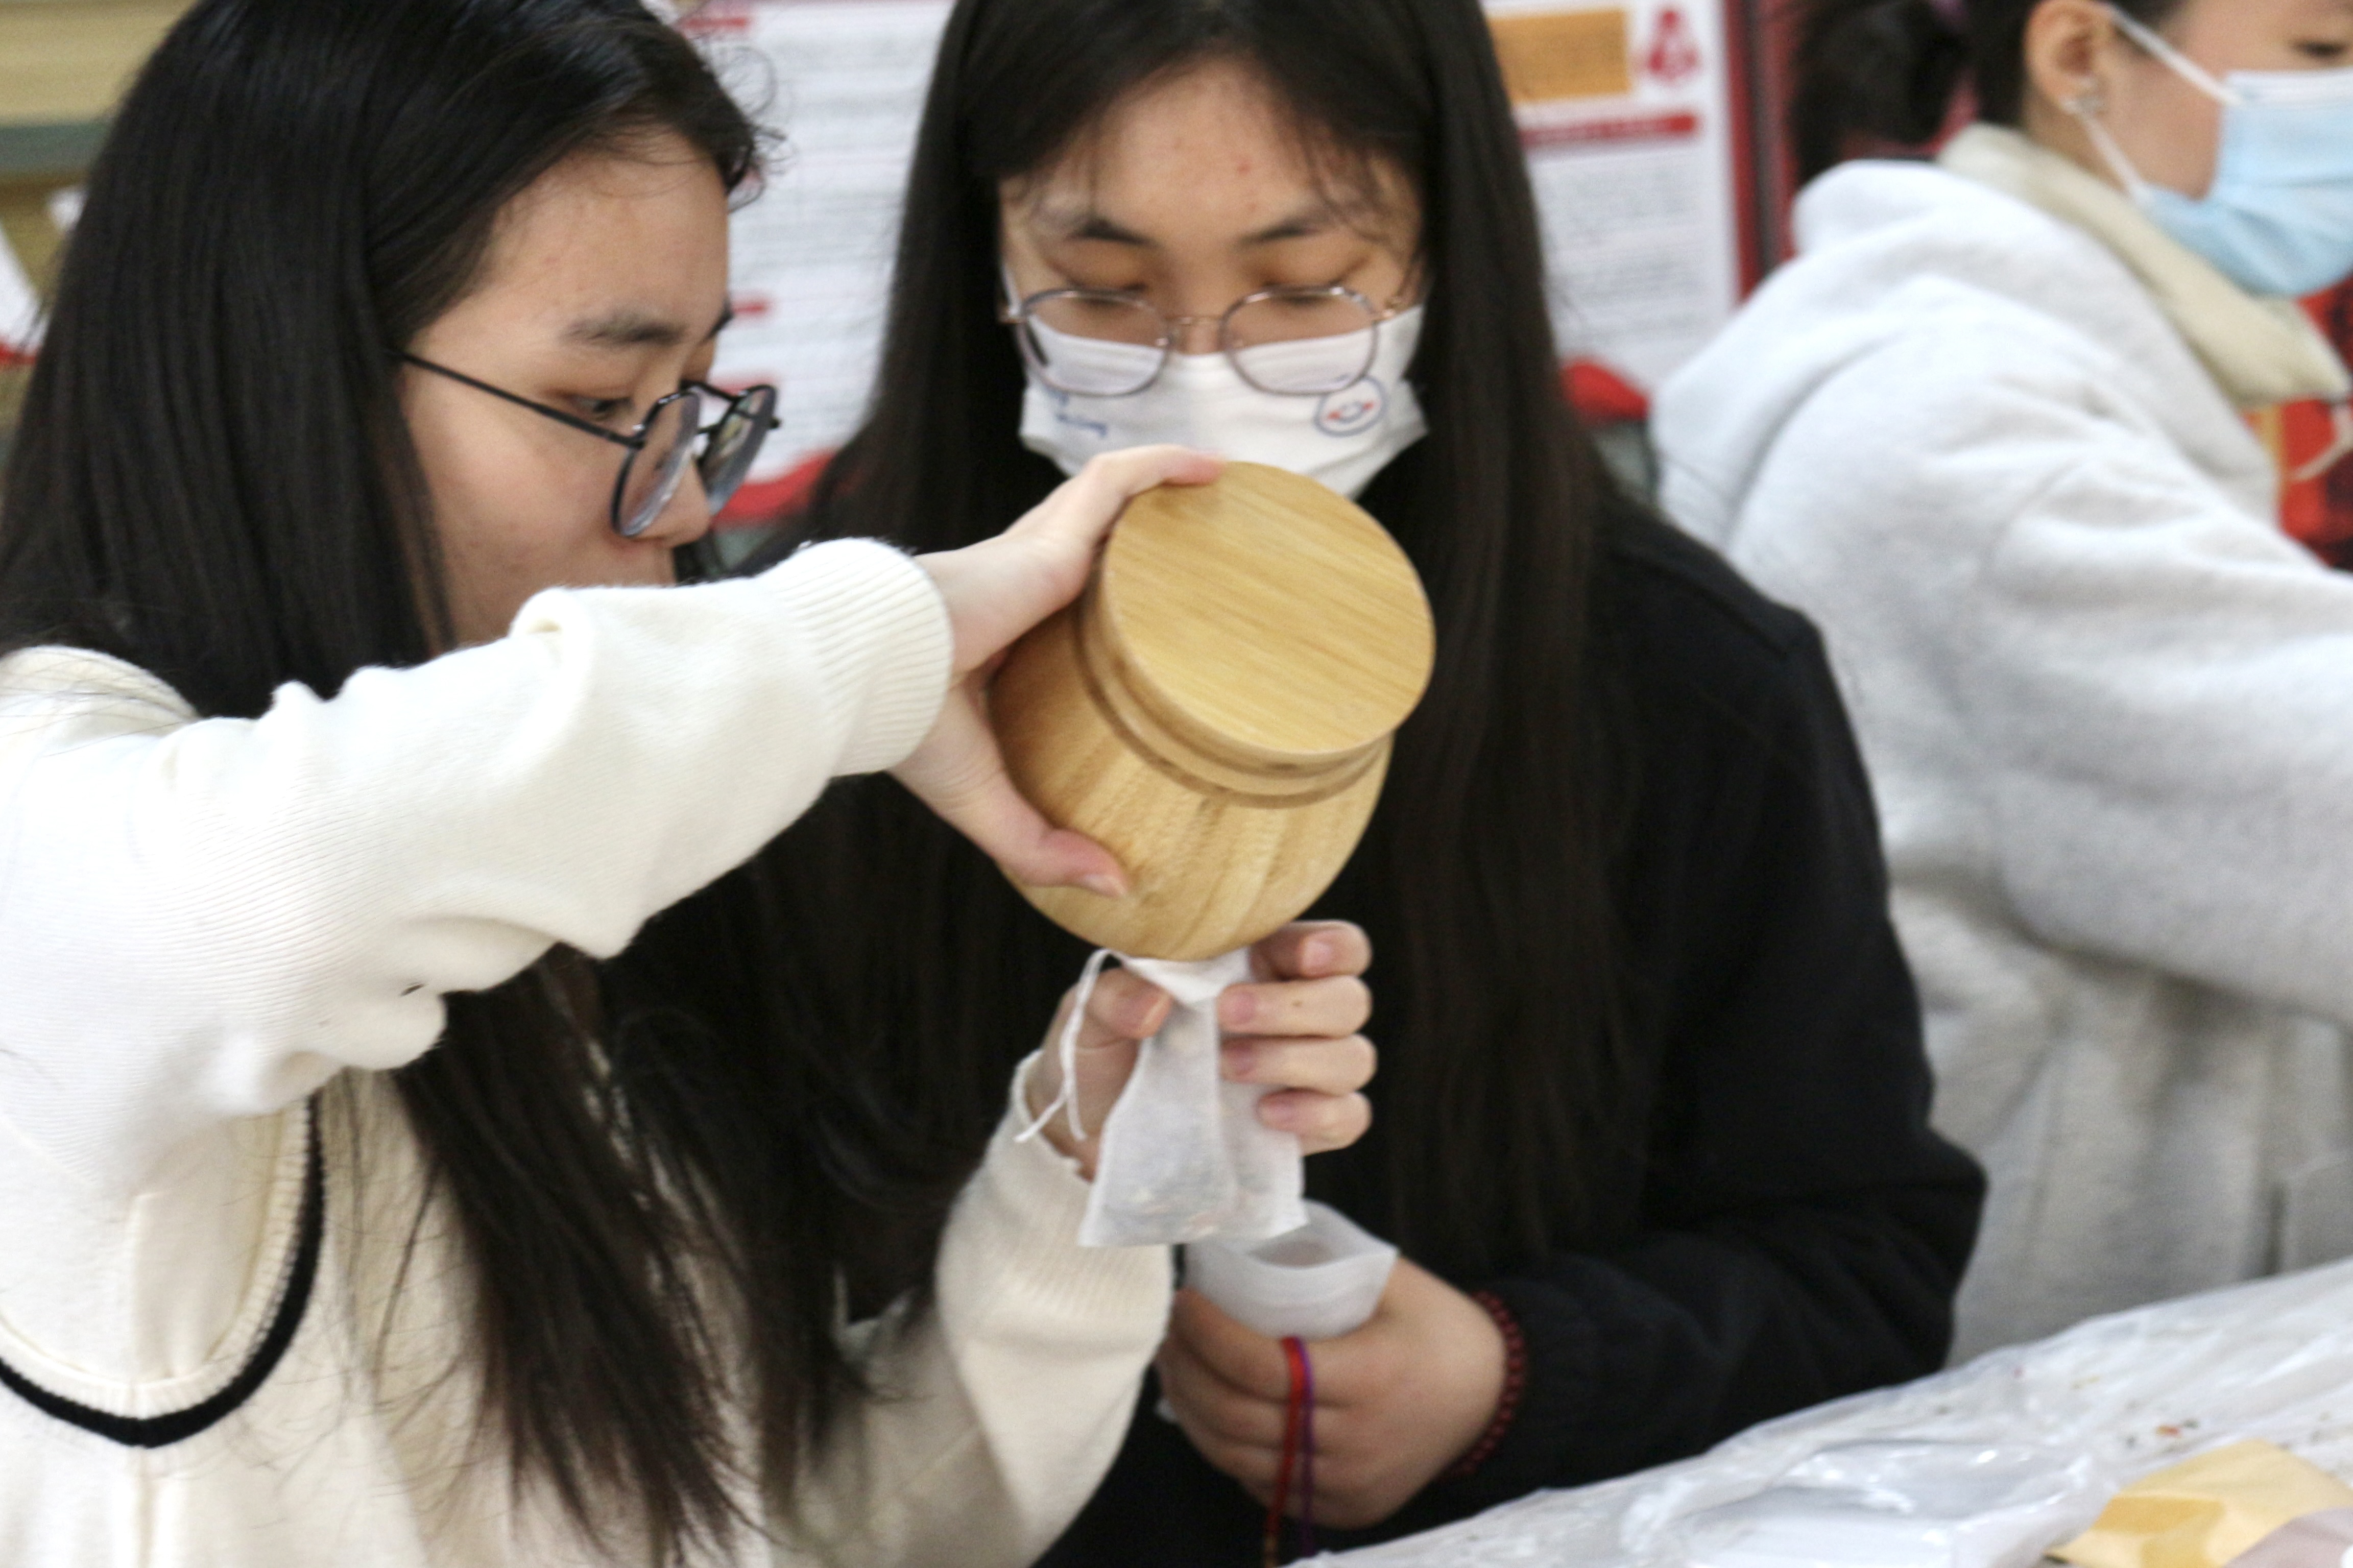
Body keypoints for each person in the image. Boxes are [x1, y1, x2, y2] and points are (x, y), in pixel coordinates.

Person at [0, 3, 1380, 1565]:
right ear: (278, 378)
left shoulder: (555, 863)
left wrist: (1084, 1156)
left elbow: (802, 1531)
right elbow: (275, 891)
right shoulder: (58, 807)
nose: (672, 512)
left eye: (696, 400)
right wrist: (889, 636)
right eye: (603, 406)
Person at [742, 0, 1988, 1558]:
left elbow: (1868, 1262)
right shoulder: (822, 671)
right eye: (1104, 289)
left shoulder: (1689, 683)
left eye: (1307, 288)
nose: (1202, 379)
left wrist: (1511, 1373)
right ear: (980, 249)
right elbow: (707, 1332)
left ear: (1445, 246)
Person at [1652, 0, 2353, 1361]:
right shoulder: (1975, 443)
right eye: (2322, 55)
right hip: (2037, 1362)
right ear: (2081, 54)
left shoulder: (2014, 356)